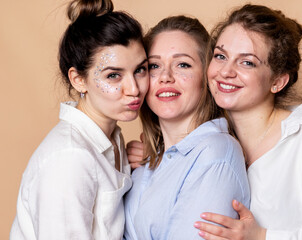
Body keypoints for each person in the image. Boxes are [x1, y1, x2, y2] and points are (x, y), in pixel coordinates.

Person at [193, 4, 302, 240]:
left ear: (278, 81)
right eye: (221, 56)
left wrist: (262, 236)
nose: (225, 71)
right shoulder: (210, 137)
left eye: (247, 62)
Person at [10, 0, 148, 239]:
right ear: (78, 79)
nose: (134, 89)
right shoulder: (70, 157)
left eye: (140, 70)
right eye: (113, 75)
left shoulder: (111, 137)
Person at [124, 16, 250, 240]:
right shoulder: (145, 163)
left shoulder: (216, 152)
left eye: (183, 64)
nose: (165, 77)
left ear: (207, 77)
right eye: (154, 66)